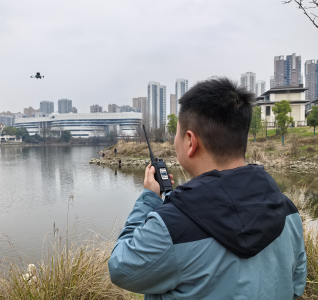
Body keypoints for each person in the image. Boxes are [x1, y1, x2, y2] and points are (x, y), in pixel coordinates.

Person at [108, 77, 306, 299]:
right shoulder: (288, 210)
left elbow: (120, 268)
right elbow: (296, 286)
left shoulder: (169, 227)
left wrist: (148, 200)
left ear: (191, 142)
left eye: (177, 133)